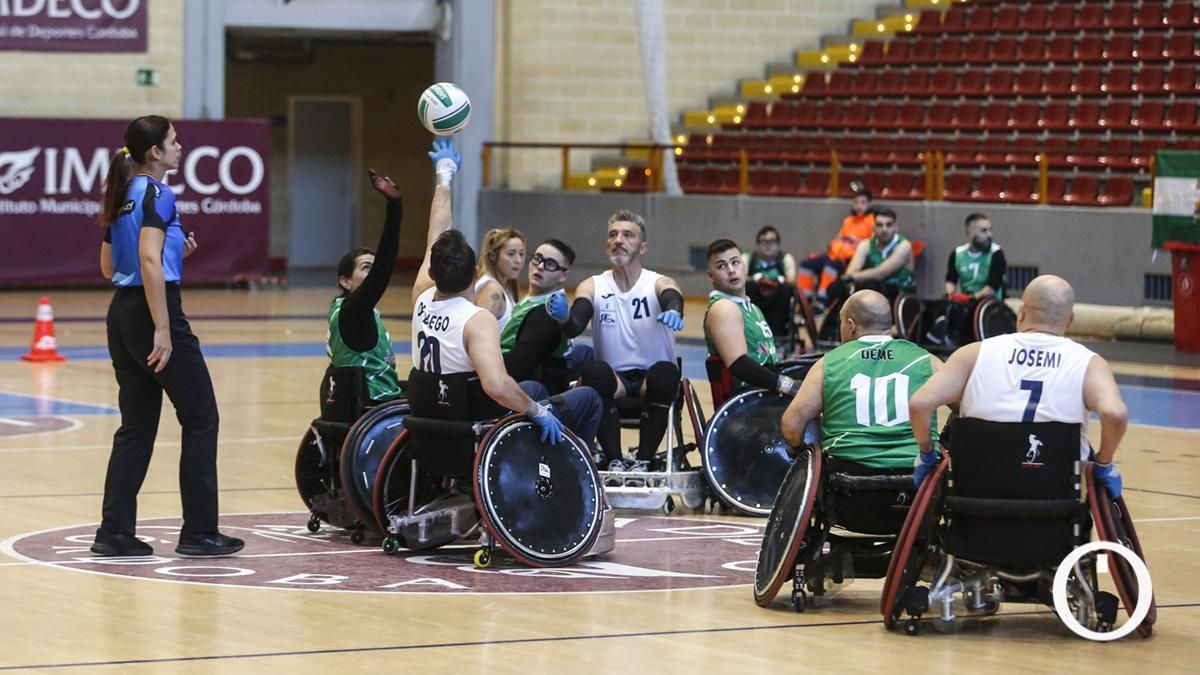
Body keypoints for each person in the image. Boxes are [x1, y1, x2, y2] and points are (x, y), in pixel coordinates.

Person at [93, 115, 243, 557]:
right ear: (155, 152)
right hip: (151, 314)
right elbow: (147, 259)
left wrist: (175, 251)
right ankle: (199, 533)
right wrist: (162, 328)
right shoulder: (158, 192)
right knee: (201, 417)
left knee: (136, 428)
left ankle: (114, 532)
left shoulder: (122, 195)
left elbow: (109, 267)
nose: (180, 147)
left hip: (120, 314)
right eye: (174, 142)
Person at [411, 139, 601, 447]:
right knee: (574, 396)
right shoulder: (477, 319)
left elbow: (436, 232)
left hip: (428, 411)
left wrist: (444, 177)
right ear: (476, 273)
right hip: (470, 419)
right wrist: (537, 410)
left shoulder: (421, 297)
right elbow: (497, 386)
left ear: (432, 274)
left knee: (536, 384)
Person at [908, 275, 1128, 499]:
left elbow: (920, 403)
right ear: (1070, 319)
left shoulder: (973, 354)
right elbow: (1115, 414)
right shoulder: (1089, 363)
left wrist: (926, 454)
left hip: (977, 496)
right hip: (1055, 498)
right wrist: (1103, 463)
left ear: (1022, 311)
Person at [560, 209, 684, 472]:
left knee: (665, 374)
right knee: (593, 372)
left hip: (652, 380)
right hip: (614, 380)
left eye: (628, 235)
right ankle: (614, 459)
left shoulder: (657, 281)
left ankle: (644, 461)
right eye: (613, 235)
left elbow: (671, 294)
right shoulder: (593, 285)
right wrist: (563, 319)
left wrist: (674, 309)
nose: (619, 239)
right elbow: (576, 324)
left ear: (643, 246)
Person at [781, 290, 941, 474]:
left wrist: (797, 450)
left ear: (850, 325)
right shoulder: (925, 359)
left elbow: (792, 424)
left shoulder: (828, 363)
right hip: (917, 478)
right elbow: (963, 403)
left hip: (849, 477)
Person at [326, 169, 406, 402]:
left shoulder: (345, 308)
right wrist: (394, 207)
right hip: (375, 399)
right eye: (365, 268)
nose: (372, 274)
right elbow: (384, 268)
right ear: (345, 281)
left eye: (372, 267)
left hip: (358, 395)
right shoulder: (354, 311)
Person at [704, 238, 800, 399]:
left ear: (744, 265)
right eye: (721, 266)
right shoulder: (723, 308)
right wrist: (787, 384)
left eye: (735, 262)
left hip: (763, 393)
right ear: (711, 275)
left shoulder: (753, 308)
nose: (731, 270)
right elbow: (739, 365)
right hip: (747, 403)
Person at [501, 238, 592, 394]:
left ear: (563, 275)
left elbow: (517, 366)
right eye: (537, 258)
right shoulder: (533, 299)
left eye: (550, 264)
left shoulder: (545, 313)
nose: (540, 266)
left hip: (527, 393)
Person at [931, 212, 1009, 346]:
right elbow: (951, 280)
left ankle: (954, 337)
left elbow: (992, 287)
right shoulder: (957, 254)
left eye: (990, 230)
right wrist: (951, 294)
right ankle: (937, 334)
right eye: (984, 231)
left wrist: (972, 297)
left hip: (988, 301)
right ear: (970, 233)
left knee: (968, 308)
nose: (989, 235)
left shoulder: (997, 253)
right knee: (939, 304)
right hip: (965, 299)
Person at [797, 185, 874, 306]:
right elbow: (837, 239)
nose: (859, 206)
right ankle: (803, 303)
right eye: (856, 202)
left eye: (863, 202)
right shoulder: (848, 220)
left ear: (869, 204)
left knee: (830, 267)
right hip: (834, 254)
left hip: (849, 260)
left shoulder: (872, 221)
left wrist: (850, 243)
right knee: (806, 265)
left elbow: (869, 246)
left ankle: (822, 303)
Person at [840, 206, 915, 305]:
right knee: (839, 285)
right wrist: (849, 278)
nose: (884, 229)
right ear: (873, 227)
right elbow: (850, 272)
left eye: (889, 225)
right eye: (879, 225)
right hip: (875, 291)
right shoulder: (865, 245)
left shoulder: (904, 246)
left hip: (900, 294)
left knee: (871, 284)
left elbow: (880, 273)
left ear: (896, 227)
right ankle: (836, 317)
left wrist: (852, 277)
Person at [743, 226, 797, 347]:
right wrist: (755, 279)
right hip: (756, 300)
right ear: (757, 245)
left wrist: (779, 281)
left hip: (778, 302)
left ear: (778, 245)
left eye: (772, 241)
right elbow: (740, 279)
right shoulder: (747, 258)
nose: (768, 245)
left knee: (787, 288)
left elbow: (792, 280)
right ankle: (754, 331)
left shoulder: (786, 259)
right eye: (764, 241)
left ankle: (777, 334)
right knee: (748, 286)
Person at [474, 227, 525, 331]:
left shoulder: (505, 286)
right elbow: (479, 333)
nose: (518, 260)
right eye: (511, 254)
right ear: (493, 256)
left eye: (521, 254)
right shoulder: (492, 290)